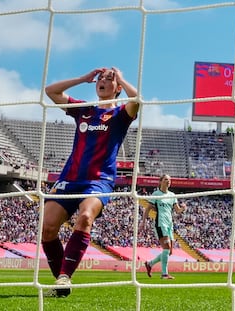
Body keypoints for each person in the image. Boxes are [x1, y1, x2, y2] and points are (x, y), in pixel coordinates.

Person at [42, 67, 139, 297]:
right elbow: (50, 91)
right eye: (100, 79)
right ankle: (61, 283)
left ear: (117, 89)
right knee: (47, 228)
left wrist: (122, 78)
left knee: (85, 217)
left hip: (98, 180)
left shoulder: (121, 113)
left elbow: (137, 99)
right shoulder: (83, 109)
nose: (102, 81)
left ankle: (65, 277)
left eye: (109, 79)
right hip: (69, 178)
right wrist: (82, 78)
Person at [139, 174, 186, 279]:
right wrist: (143, 221)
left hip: (170, 224)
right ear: (160, 182)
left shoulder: (172, 195)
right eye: (166, 179)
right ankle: (164, 274)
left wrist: (183, 208)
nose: (168, 181)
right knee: (166, 248)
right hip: (160, 224)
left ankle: (150, 264)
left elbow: (177, 210)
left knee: (169, 252)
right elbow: (148, 208)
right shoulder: (156, 194)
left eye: (170, 180)